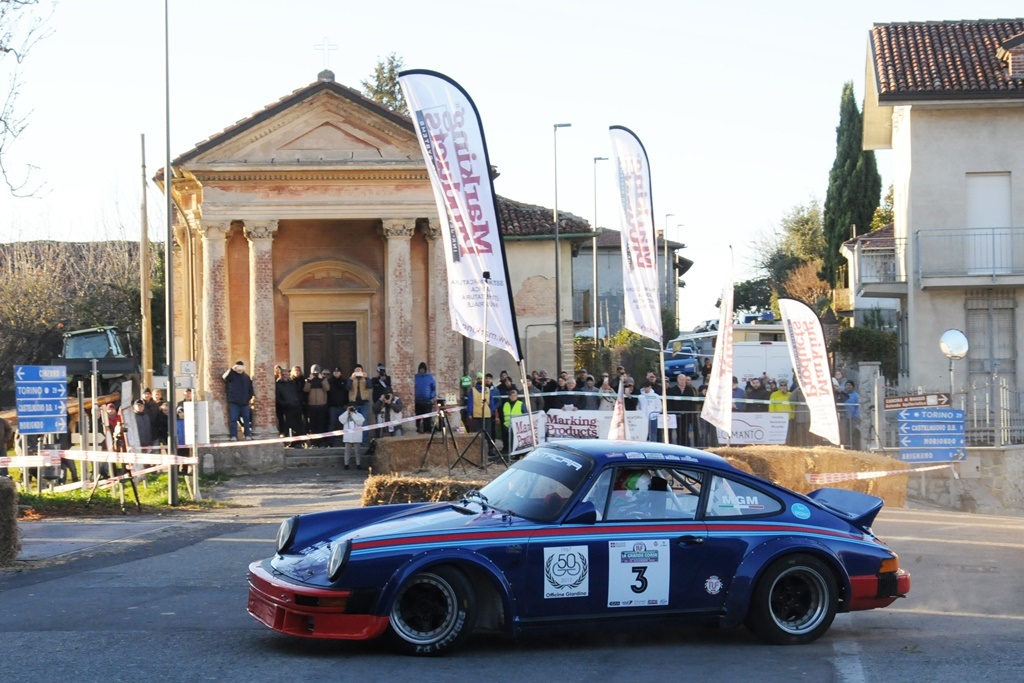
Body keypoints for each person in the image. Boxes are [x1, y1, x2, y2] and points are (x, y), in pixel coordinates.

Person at [222, 361, 255, 441]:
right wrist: (232, 369)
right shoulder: (232, 375)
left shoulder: (246, 377)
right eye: (238, 368)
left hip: (244, 403)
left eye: (241, 368)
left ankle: (247, 435)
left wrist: (249, 398)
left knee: (246, 419)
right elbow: (225, 377)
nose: (239, 370)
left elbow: (250, 388)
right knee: (233, 419)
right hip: (234, 402)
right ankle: (233, 435)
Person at [275, 366, 304, 445]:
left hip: (295, 407)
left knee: (297, 426)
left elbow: (297, 393)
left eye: (287, 374)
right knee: (285, 427)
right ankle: (285, 443)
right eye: (283, 374)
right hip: (285, 409)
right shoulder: (277, 385)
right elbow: (277, 398)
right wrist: (284, 403)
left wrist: (297, 401)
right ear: (280, 375)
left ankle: (297, 443)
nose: (285, 376)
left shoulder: (293, 383)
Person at [304, 364, 331, 447]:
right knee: (312, 425)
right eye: (314, 371)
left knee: (321, 424)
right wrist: (309, 381)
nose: (315, 373)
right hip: (312, 405)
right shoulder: (308, 380)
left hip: (322, 405)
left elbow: (327, 388)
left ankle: (322, 441)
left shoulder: (323, 380)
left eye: (317, 371)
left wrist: (322, 379)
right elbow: (305, 389)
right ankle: (313, 442)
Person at [348, 364, 371, 443]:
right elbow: (347, 388)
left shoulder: (365, 379)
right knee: (354, 423)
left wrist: (366, 378)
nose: (358, 372)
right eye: (356, 370)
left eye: (359, 370)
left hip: (364, 403)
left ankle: (364, 441)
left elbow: (370, 386)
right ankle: (355, 441)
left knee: (363, 421)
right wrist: (351, 378)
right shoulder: (351, 379)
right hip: (354, 403)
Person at [499, 388, 525, 454]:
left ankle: (516, 453)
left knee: (515, 441)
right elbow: (502, 415)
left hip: (517, 427)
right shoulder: (506, 404)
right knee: (506, 440)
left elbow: (525, 414)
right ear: (509, 396)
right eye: (511, 395)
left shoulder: (521, 404)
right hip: (507, 425)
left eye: (514, 395)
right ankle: (507, 451)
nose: (513, 397)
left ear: (517, 396)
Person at [339, 405, 366, 469]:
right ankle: (346, 464)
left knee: (357, 451)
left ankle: (358, 464)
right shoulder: (345, 415)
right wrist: (347, 412)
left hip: (356, 436)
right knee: (347, 451)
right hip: (348, 436)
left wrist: (353, 414)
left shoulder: (359, 415)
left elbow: (360, 422)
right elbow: (341, 420)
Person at [327, 368, 348, 445]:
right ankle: (330, 441)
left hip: (342, 406)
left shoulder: (344, 382)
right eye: (334, 371)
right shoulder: (329, 381)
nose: (336, 373)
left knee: (343, 424)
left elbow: (347, 393)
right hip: (332, 406)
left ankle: (344, 441)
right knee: (332, 423)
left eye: (338, 371)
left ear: (340, 373)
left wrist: (347, 404)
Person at [413, 361, 437, 434]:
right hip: (418, 402)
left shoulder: (430, 378)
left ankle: (427, 431)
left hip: (427, 402)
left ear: (425, 369)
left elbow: (434, 388)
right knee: (418, 418)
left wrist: (431, 396)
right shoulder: (416, 377)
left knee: (427, 419)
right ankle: (418, 430)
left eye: (423, 369)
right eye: (421, 369)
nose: (422, 370)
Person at [843, 380, 861, 449]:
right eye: (847, 385)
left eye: (849, 385)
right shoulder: (844, 395)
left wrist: (855, 416)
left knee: (852, 432)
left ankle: (854, 447)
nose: (848, 386)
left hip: (853, 417)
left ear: (853, 387)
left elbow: (858, 406)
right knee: (846, 433)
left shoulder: (856, 396)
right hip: (844, 417)